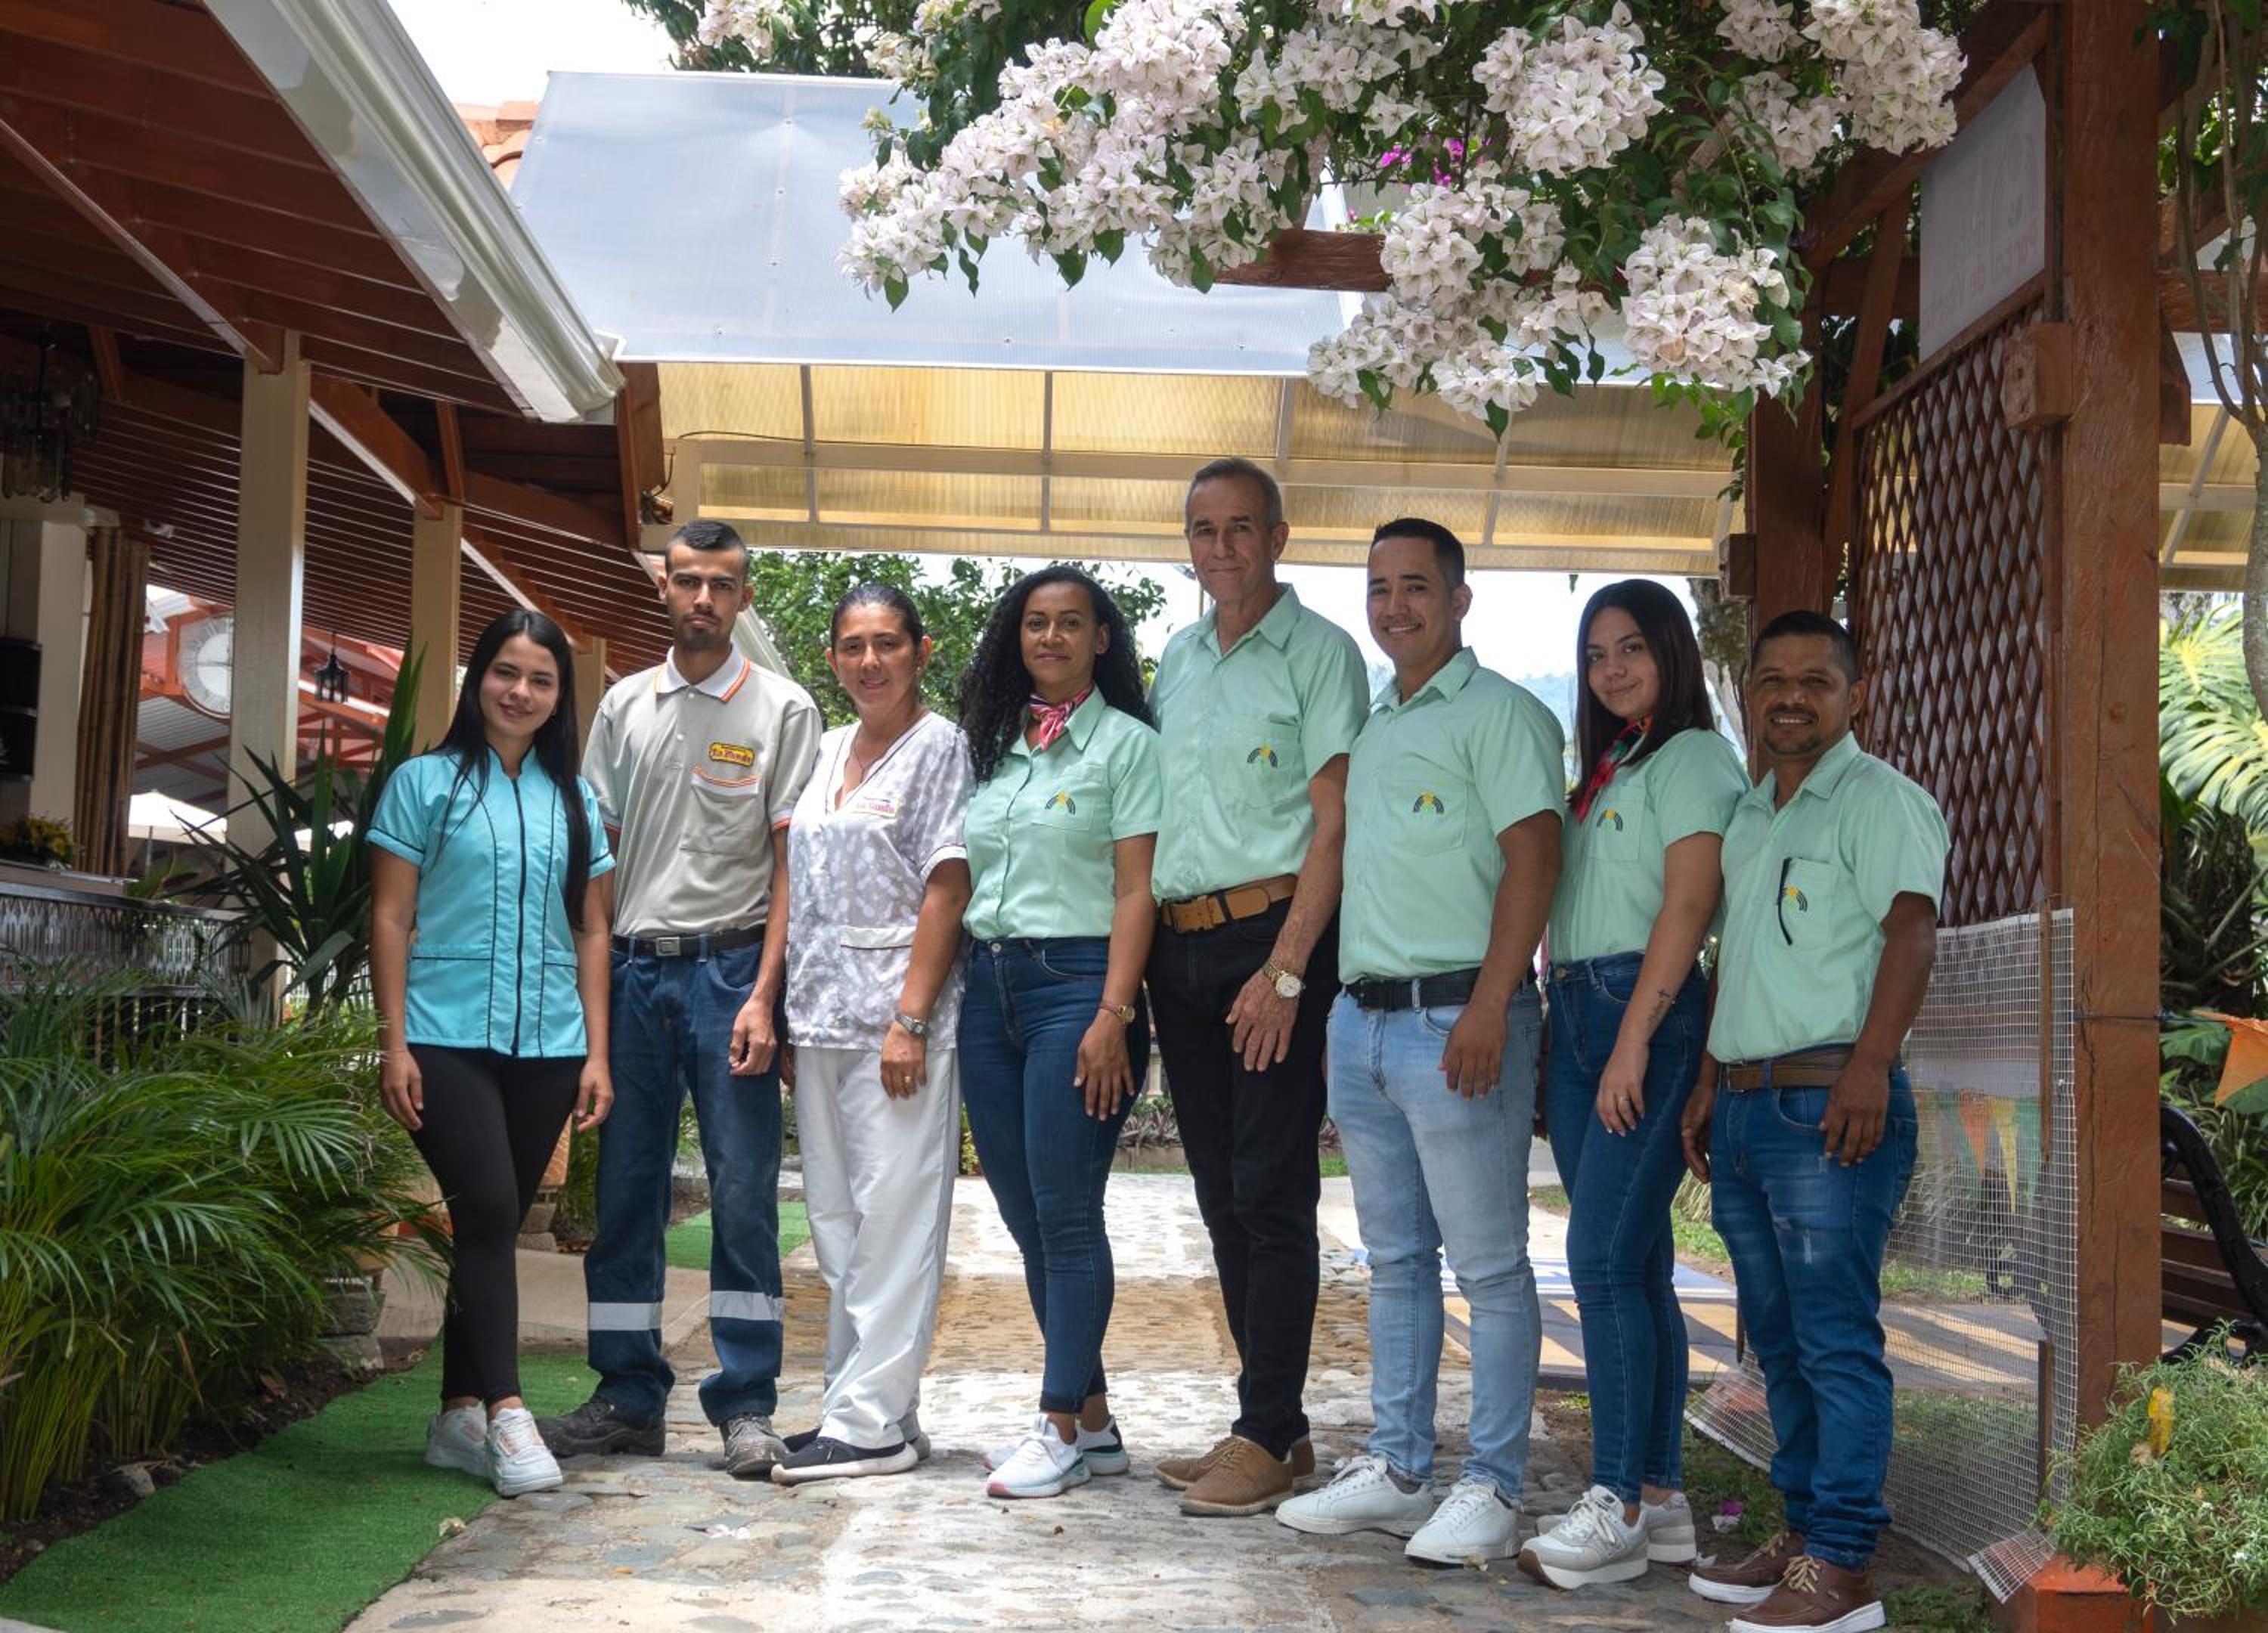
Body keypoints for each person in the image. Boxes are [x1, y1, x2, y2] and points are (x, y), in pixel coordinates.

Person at [1275, 519, 1563, 1564]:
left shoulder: (1503, 715)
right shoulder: (1377, 722)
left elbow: (1536, 858)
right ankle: (1398, 1470)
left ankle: (1493, 1484)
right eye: (1379, 589)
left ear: (1460, 599)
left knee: (1489, 1266)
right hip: (1366, 1023)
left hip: (1458, 1021)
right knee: (1394, 1260)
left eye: (1415, 587)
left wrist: (1491, 1004)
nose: (1394, 607)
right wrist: (1340, 1013)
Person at [537, 519, 823, 1480]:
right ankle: (627, 1396)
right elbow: (598, 862)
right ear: (664, 586)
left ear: (744, 596)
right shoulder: (624, 705)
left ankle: (746, 1404)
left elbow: (791, 869)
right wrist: (592, 1007)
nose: (704, 599)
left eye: (722, 584)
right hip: (632, 974)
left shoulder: (783, 709)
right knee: (624, 1192)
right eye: (689, 581)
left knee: (743, 1195)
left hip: (731, 974)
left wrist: (767, 997)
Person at [1680, 610, 1944, 1633]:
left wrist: (1870, 1068)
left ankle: (1841, 1566)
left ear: (1855, 695)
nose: (1791, 697)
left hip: (1830, 1105)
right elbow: (1738, 959)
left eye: (1816, 681)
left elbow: (1911, 936)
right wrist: (1710, 1080)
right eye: (1773, 680)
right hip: (1748, 1106)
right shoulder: (1752, 814)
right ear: (1749, 692)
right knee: (1780, 1342)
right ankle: (1798, 1536)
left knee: (1835, 1338)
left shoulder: (1882, 801)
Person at [1148, 457, 1369, 1519]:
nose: (1222, 547)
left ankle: (1268, 1432)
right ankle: (1270, 1422)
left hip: (1271, 946)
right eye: (1204, 529)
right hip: (1179, 951)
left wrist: (1287, 970)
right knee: (1219, 1194)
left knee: (1273, 1194)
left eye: (1242, 528)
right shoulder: (1178, 658)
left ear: (1279, 537)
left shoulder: (1322, 654)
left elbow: (1335, 824)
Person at [1517, 580, 1746, 1589]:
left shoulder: (1693, 756)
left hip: (1638, 1015)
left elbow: (1688, 907)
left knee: (1601, 1258)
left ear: (1672, 654)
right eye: (1596, 653)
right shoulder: (1613, 765)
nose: (1611, 669)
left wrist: (1633, 1045)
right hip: (1578, 1010)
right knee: (1639, 1263)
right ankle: (1659, 1498)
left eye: (1632, 649)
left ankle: (1612, 1502)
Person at [369, 609, 615, 1499]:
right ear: (478, 680)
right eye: (506, 672)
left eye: (541, 679)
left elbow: (592, 930)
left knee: (492, 1224)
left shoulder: (577, 801)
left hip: (549, 1040)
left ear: (559, 697)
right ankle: (509, 1412)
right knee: (488, 1206)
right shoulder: (423, 783)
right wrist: (392, 1043)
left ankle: (456, 1414)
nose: (521, 691)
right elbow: (390, 915)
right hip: (442, 1034)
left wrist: (597, 1052)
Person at [956, 566, 1163, 1501]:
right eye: (1036, 623)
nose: (1051, 638)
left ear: (1101, 639)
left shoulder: (1127, 747)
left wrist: (1114, 1014)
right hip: (988, 988)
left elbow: (1136, 891)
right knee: (1024, 1215)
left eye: (1070, 623)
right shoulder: (994, 748)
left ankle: (1056, 1427)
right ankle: (1096, 1422)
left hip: (1077, 989)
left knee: (1069, 1213)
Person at [773, 582, 973, 1484]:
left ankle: (872, 1424)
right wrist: (781, 1006)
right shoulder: (825, 749)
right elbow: (798, 880)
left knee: (895, 1221)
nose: (870, 661)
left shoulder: (940, 749)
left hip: (897, 1026)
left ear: (921, 653)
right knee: (837, 1223)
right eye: (852, 646)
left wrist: (910, 1019)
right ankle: (861, 1406)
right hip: (820, 1020)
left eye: (887, 643)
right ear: (832, 659)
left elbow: (948, 886)